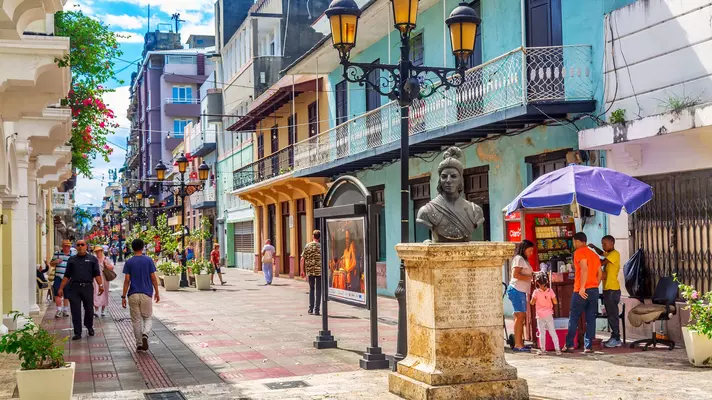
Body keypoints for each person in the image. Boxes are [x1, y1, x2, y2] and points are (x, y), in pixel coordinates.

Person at [563, 232, 602, 354]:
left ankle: (569, 345)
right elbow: (600, 274)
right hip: (594, 289)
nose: (574, 244)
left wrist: (582, 287)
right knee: (591, 318)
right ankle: (588, 346)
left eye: (574, 242)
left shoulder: (579, 252)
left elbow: (584, 268)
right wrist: (595, 285)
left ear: (578, 241)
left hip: (581, 290)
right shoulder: (594, 255)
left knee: (574, 317)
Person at [58, 239, 104, 340]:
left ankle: (89, 326)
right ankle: (77, 332)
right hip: (74, 288)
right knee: (75, 310)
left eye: (82, 244)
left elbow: (97, 274)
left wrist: (101, 285)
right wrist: (61, 288)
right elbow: (66, 276)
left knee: (88, 309)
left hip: (87, 287)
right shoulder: (72, 260)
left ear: (86, 246)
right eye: (78, 245)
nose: (80, 246)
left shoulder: (92, 259)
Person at [121, 239, 160, 352]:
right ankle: (145, 334)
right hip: (146, 293)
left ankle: (139, 344)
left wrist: (123, 296)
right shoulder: (148, 260)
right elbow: (153, 278)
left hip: (133, 294)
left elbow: (126, 281)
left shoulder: (129, 262)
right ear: (143, 247)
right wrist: (157, 292)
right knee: (147, 317)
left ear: (132, 248)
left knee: (136, 320)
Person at [589, 235, 622, 348]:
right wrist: (594, 248)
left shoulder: (614, 254)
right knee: (610, 314)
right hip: (608, 289)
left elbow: (601, 262)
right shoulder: (609, 253)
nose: (603, 246)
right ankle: (614, 336)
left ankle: (616, 338)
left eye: (605, 244)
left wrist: (589, 257)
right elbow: (601, 253)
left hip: (613, 289)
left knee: (613, 315)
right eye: (602, 244)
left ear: (612, 244)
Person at [507, 240, 534, 352]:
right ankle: (518, 344)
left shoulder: (524, 260)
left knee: (520, 317)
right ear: (524, 249)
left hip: (521, 290)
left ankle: (520, 341)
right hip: (516, 289)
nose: (531, 253)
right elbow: (515, 274)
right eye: (529, 250)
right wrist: (529, 278)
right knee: (520, 316)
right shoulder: (519, 259)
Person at [531, 273, 561, 356]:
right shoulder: (550, 291)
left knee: (542, 333)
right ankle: (558, 349)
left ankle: (543, 349)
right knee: (552, 332)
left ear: (537, 283)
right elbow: (555, 302)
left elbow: (532, 303)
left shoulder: (536, 292)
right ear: (547, 281)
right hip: (549, 314)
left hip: (540, 315)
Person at [300, 230, 322, 315]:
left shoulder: (307, 246)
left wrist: (302, 271)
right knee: (319, 289)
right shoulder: (321, 247)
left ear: (313, 236)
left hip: (310, 271)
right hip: (319, 271)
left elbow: (302, 259)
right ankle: (317, 310)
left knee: (311, 289)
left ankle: (310, 308)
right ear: (319, 237)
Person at [50, 240, 72, 318]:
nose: (67, 247)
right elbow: (51, 264)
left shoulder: (72, 255)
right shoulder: (57, 254)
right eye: (66, 246)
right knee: (57, 293)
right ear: (62, 246)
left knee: (67, 294)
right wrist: (56, 261)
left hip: (68, 278)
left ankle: (65, 310)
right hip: (58, 277)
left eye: (69, 246)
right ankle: (59, 310)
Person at [92, 246, 114, 317]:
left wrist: (106, 265)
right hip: (96, 278)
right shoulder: (94, 259)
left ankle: (103, 310)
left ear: (101, 251)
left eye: (99, 251)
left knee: (104, 293)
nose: (98, 253)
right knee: (96, 292)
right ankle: (96, 310)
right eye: (96, 251)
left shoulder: (106, 259)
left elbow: (112, 268)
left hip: (104, 278)